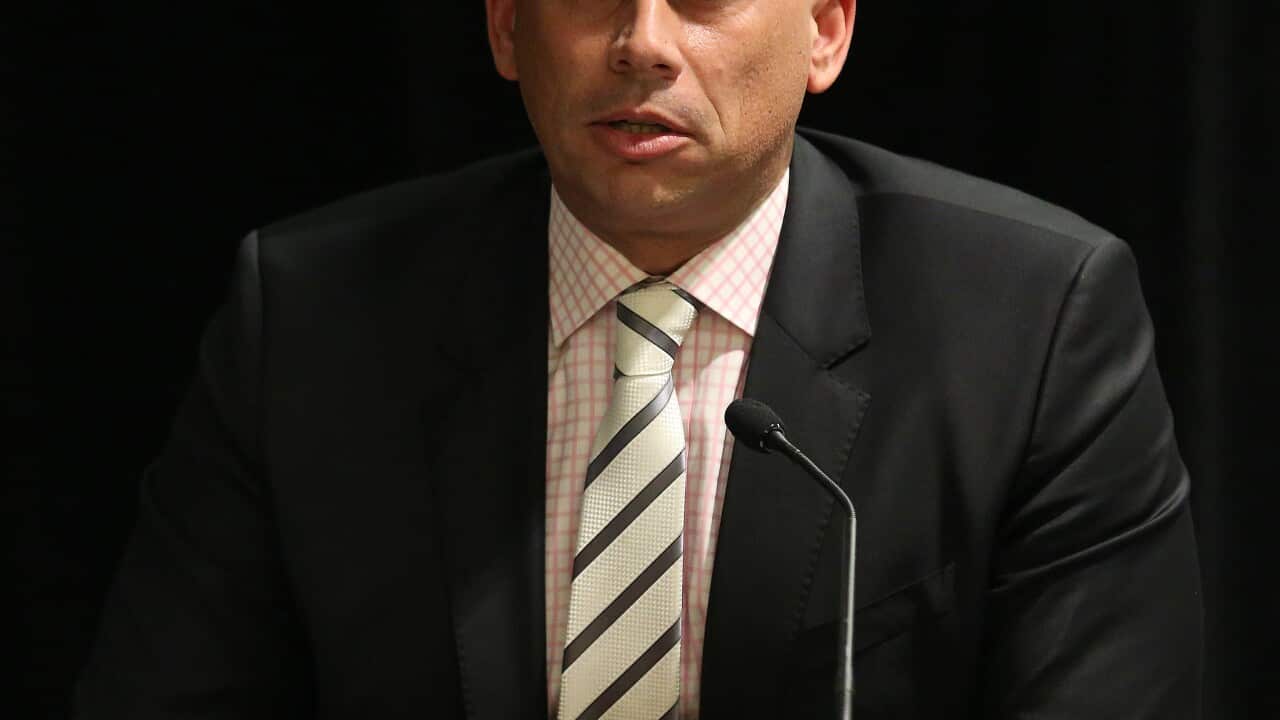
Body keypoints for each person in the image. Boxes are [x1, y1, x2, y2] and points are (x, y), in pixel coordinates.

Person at [75, 0, 1203, 718]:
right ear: (506, 27)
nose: (641, 43)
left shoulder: (1026, 314)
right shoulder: (318, 311)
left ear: (824, 31)